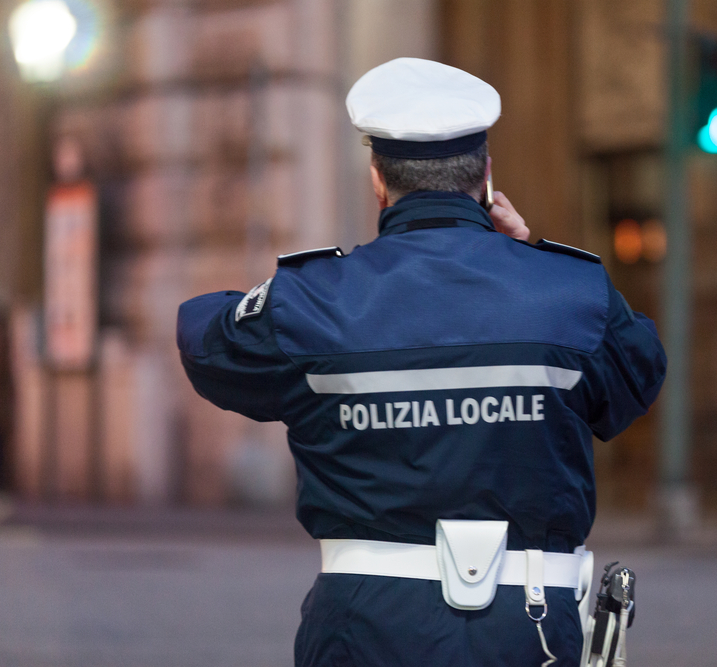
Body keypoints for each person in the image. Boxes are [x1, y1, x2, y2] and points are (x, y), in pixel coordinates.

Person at [177, 58, 666, 667]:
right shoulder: (571, 293)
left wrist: (312, 291)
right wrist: (529, 259)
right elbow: (639, 368)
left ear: (378, 181)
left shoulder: (313, 300)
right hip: (531, 630)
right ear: (486, 179)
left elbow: (202, 336)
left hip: (362, 628)